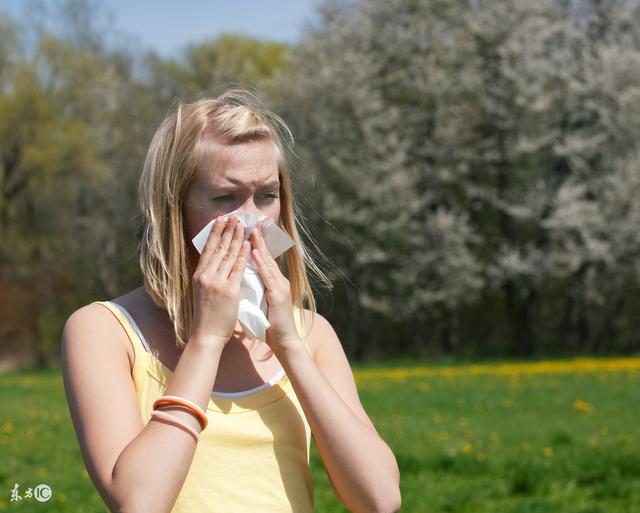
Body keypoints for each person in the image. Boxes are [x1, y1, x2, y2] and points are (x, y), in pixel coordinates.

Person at [61, 89, 401, 513]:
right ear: (174, 208)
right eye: (225, 199)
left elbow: (380, 499)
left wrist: (290, 347)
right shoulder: (104, 331)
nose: (251, 221)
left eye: (266, 196)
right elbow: (139, 502)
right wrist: (205, 340)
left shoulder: (311, 334)